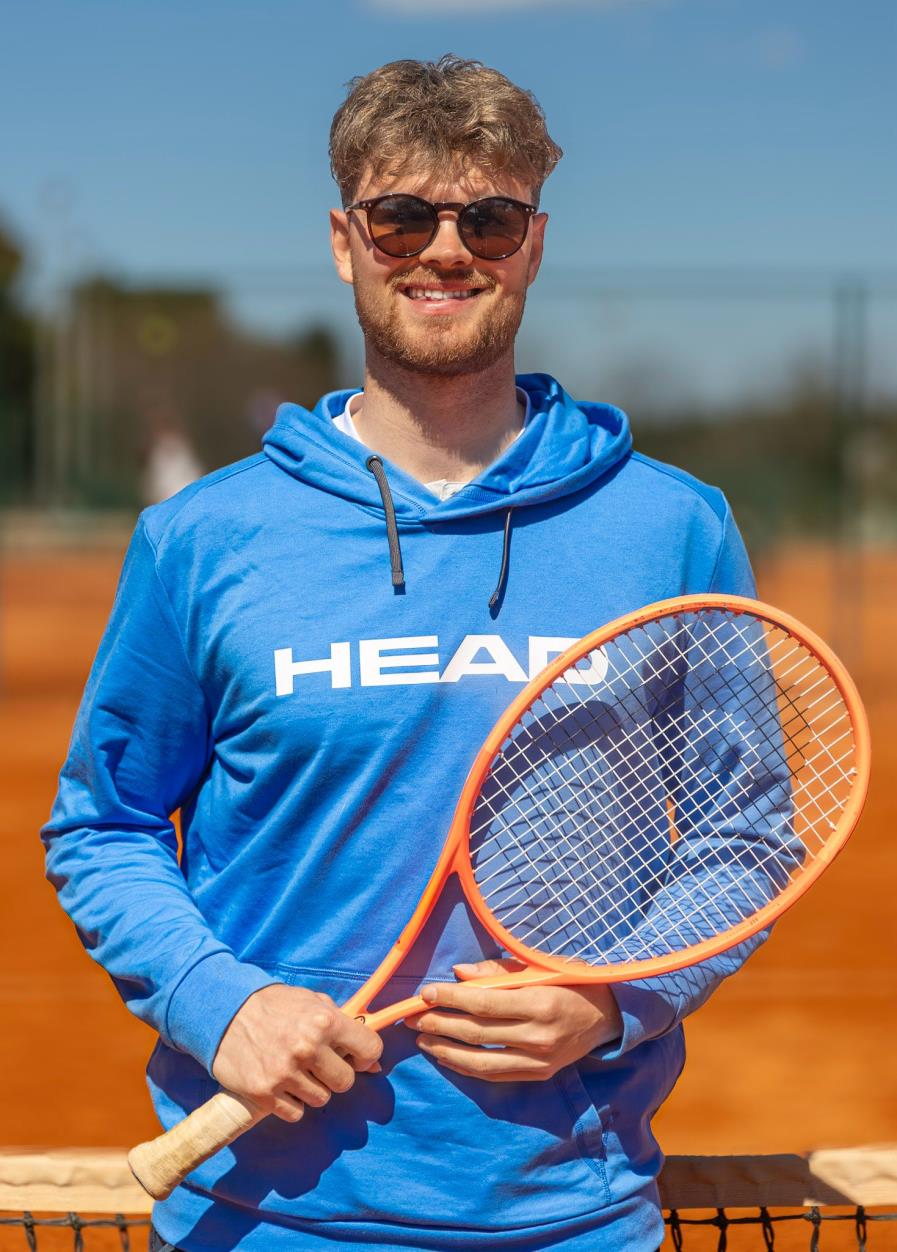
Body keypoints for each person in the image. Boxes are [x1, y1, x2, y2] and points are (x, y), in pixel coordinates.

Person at [43, 55, 760, 1252]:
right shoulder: (201, 538)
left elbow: (747, 837)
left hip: (571, 1220)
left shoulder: (673, 527)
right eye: (401, 216)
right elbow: (103, 826)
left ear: (532, 242)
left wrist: (615, 1001)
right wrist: (227, 1005)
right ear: (344, 240)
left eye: (487, 217)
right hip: (259, 1219)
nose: (444, 248)